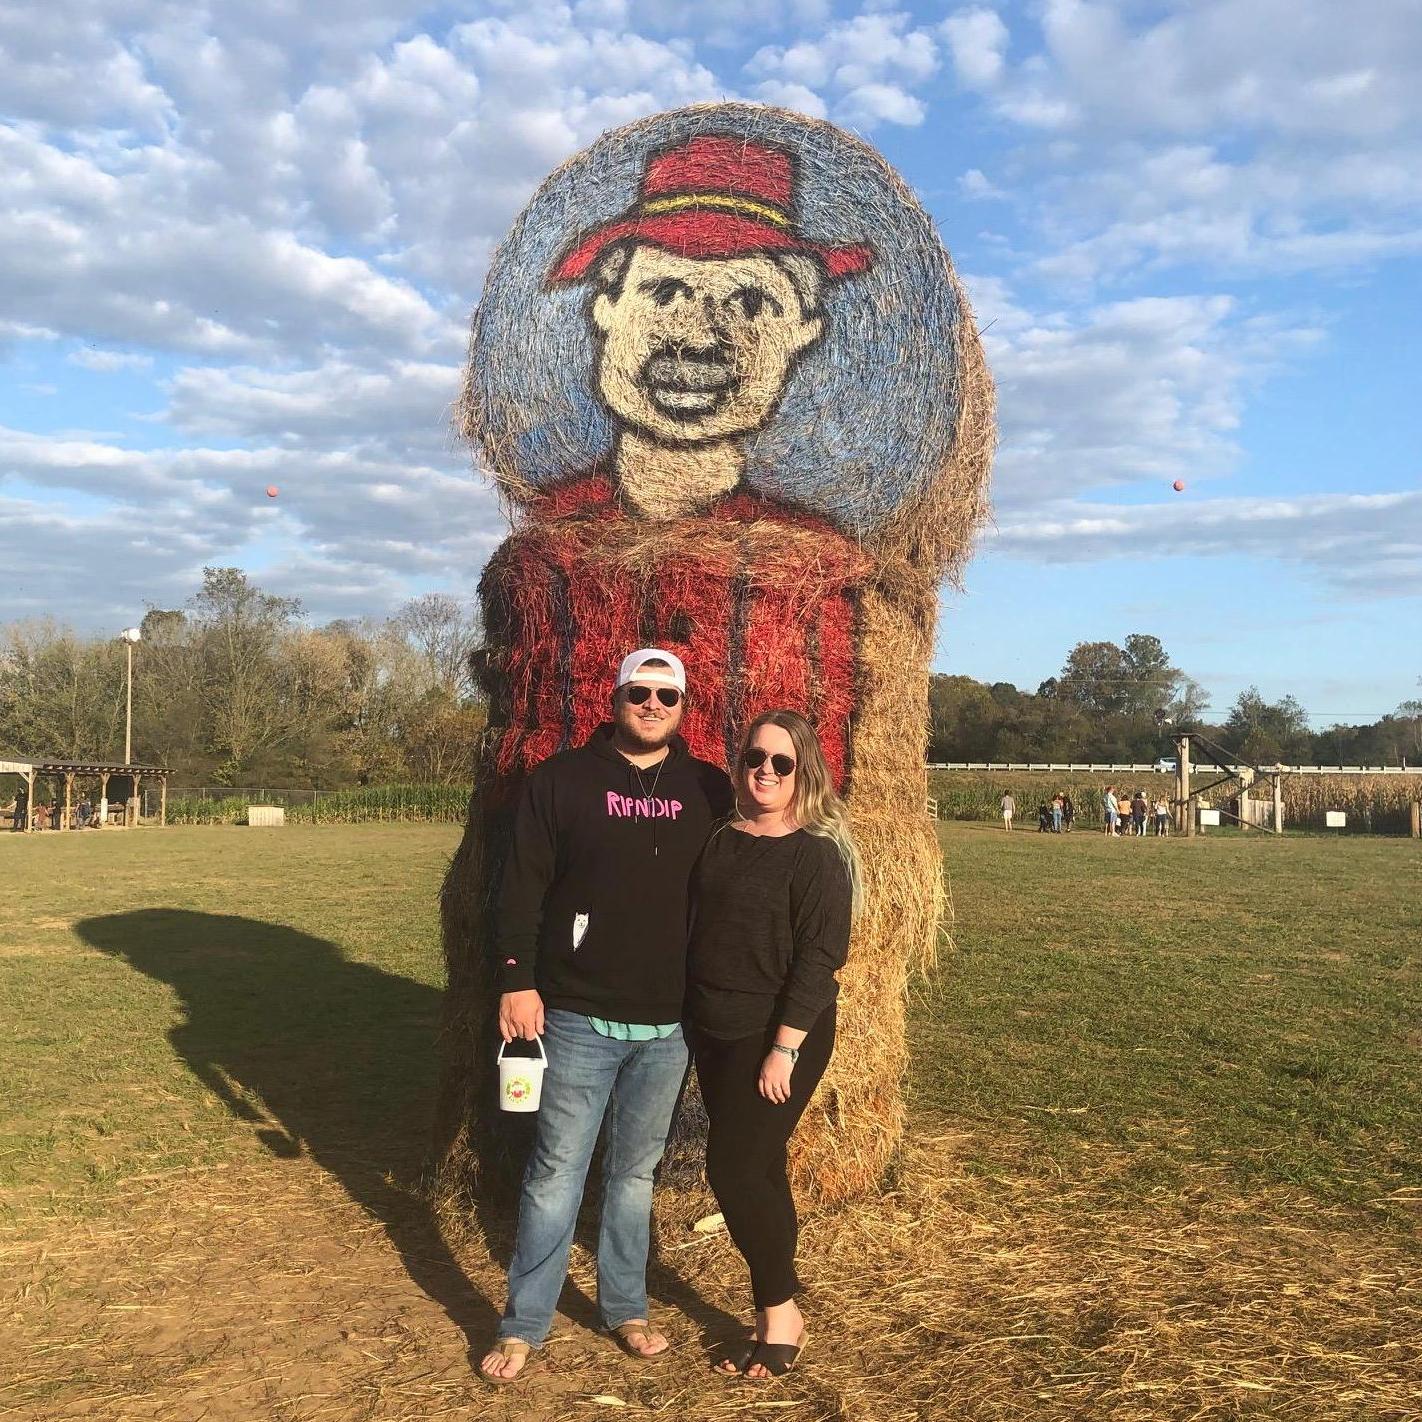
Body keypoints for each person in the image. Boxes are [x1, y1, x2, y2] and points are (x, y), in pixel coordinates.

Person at [479, 649, 734, 1384]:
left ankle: (625, 1305)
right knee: (557, 1170)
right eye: (639, 692)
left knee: (633, 1174)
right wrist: (515, 981)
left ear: (685, 706)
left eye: (666, 696)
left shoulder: (708, 787)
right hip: (577, 1015)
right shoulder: (563, 780)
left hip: (670, 1024)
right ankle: (525, 1321)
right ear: (614, 695)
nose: (652, 705)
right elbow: (521, 887)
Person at [686, 710, 856, 1379]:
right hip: (713, 1027)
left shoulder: (814, 854)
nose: (765, 771)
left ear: (802, 771)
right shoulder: (718, 838)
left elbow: (821, 959)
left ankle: (779, 1312)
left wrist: (783, 1048)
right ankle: (784, 1288)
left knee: (730, 1168)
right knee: (760, 1168)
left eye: (781, 763)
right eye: (756, 758)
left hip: (780, 1034)